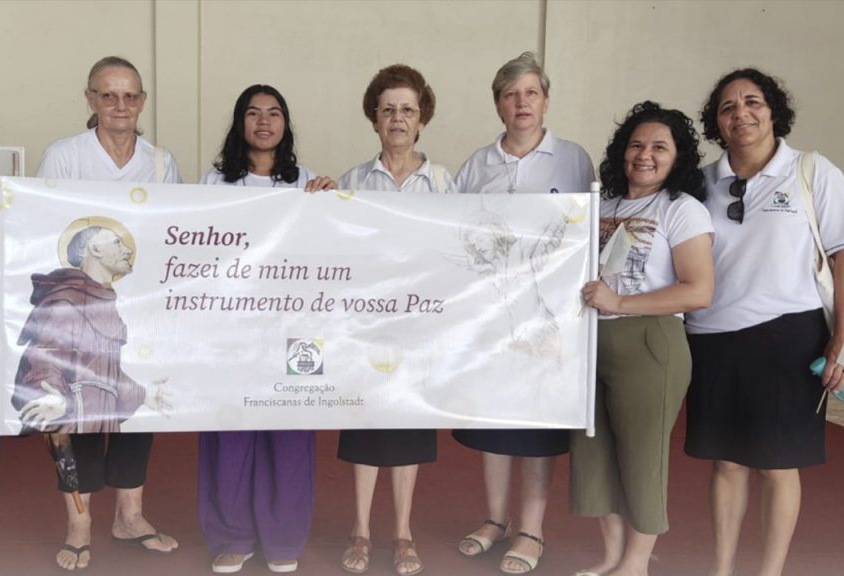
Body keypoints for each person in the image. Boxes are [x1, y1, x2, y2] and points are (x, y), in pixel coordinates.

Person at [684, 68, 844, 576]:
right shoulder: (700, 182)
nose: (740, 113)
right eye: (727, 107)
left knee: (777, 465)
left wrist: (843, 341)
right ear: (716, 123)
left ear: (773, 111)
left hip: (787, 336)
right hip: (711, 337)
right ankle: (720, 569)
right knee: (726, 463)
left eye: (752, 102)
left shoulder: (812, 171)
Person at [35, 55, 181, 571]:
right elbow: (43, 230)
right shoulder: (64, 156)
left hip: (139, 310)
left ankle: (130, 516)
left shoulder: (162, 163)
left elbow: (169, 239)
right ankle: (78, 524)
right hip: (76, 309)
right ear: (90, 99)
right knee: (72, 415)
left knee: (133, 411)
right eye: (108, 94)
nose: (120, 105)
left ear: (142, 102)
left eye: (130, 96)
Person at [452, 51, 594, 575]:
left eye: (531, 93)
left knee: (537, 427)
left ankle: (531, 529)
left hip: (551, 319)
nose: (521, 103)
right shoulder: (476, 165)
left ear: (546, 99)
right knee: (494, 422)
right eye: (511, 95)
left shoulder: (574, 160)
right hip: (491, 319)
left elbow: (588, 237)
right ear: (498, 105)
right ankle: (494, 521)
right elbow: (459, 238)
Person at [570, 101, 714, 576]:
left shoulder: (683, 210)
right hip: (592, 343)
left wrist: (621, 304)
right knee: (596, 456)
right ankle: (611, 556)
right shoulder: (602, 204)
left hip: (650, 344)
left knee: (641, 458)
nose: (645, 154)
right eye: (636, 144)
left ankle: (635, 564)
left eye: (659, 146)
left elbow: (699, 290)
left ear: (679, 156)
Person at [197, 84, 332, 574]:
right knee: (230, 430)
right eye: (252, 113)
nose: (263, 121)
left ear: (285, 124)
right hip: (230, 327)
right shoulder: (213, 184)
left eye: (274, 113)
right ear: (239, 124)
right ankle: (231, 536)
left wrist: (333, 204)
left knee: (291, 432)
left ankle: (283, 538)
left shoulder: (308, 182)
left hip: (299, 328)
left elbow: (330, 248)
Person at [335, 64, 452, 576]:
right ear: (374, 120)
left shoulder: (446, 183)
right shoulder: (351, 182)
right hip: (366, 326)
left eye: (407, 109)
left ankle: (403, 533)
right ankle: (360, 529)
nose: (398, 118)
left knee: (408, 426)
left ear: (422, 117)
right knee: (365, 426)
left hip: (421, 327)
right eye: (388, 110)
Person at [11, 218, 173, 434]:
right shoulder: (68, 298)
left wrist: (143, 394)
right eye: (117, 243)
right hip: (77, 420)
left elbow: (104, 371)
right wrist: (51, 395)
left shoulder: (105, 302)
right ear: (95, 249)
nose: (127, 251)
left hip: (102, 420)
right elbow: (45, 356)